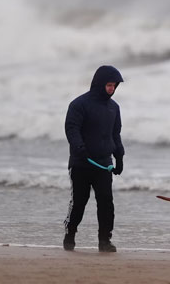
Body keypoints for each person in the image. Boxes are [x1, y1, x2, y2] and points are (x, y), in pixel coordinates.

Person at [63, 65, 125, 252]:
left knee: (106, 202)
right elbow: (71, 128)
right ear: (99, 84)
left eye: (114, 86)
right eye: (109, 85)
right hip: (81, 163)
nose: (111, 89)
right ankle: (70, 234)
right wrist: (79, 147)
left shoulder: (114, 108)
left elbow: (116, 134)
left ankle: (104, 241)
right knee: (79, 202)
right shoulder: (79, 104)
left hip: (104, 163)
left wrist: (119, 156)